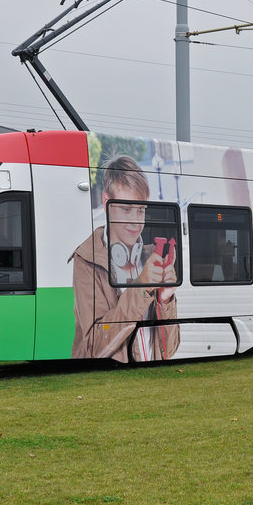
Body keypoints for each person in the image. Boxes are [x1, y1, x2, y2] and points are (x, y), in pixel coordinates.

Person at [71, 155, 180, 362]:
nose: (135, 221)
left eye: (140, 210)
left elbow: (169, 350)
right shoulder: (86, 260)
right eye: (126, 209)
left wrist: (165, 300)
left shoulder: (150, 257)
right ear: (106, 202)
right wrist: (141, 286)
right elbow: (96, 346)